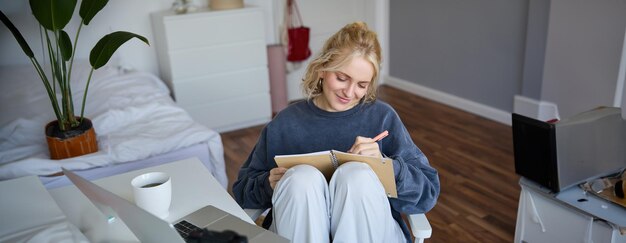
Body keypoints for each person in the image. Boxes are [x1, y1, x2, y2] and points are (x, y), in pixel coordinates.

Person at [232, 22, 440, 243]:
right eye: (342, 78)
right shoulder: (286, 123)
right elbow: (243, 190)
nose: (349, 92)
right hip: (297, 231)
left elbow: (428, 192)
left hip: (372, 231)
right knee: (301, 179)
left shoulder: (382, 117)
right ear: (322, 69)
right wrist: (268, 184)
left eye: (362, 85)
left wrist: (387, 167)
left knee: (356, 176)